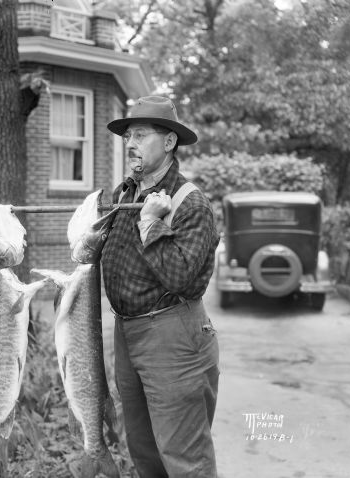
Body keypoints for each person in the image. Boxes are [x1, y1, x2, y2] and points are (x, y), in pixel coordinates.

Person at [101, 95, 220, 478]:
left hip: (172, 336)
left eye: (140, 134)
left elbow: (180, 277)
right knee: (145, 452)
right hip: (128, 333)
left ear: (169, 142)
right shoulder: (125, 195)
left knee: (185, 459)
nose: (130, 143)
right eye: (127, 136)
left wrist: (151, 224)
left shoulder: (191, 203)